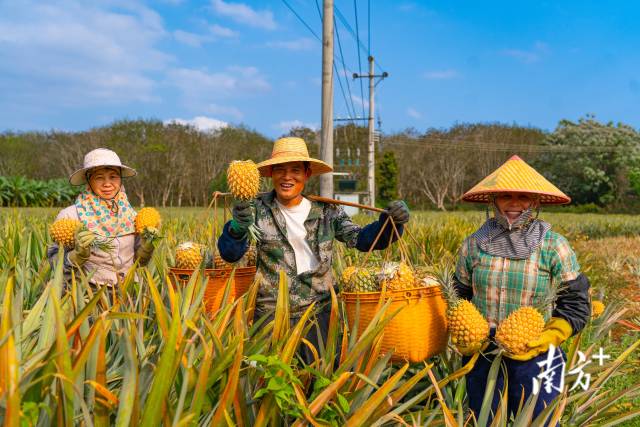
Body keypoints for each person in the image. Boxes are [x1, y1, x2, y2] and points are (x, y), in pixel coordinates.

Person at [217, 137, 410, 363]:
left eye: (295, 170)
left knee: (318, 382)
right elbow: (230, 254)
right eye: (280, 170)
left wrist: (391, 224)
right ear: (271, 174)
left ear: (307, 174)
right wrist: (237, 228)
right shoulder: (256, 210)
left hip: (320, 314)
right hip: (271, 316)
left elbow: (362, 239)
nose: (287, 177)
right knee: (270, 386)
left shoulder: (327, 211)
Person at [453, 155, 591, 423]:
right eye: (506, 196)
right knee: (484, 420)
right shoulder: (472, 245)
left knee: (540, 421)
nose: (514, 203)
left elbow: (576, 301)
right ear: (493, 201)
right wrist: (464, 335)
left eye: (523, 196)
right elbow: (460, 295)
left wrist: (552, 335)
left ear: (536, 202)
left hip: (536, 353)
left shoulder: (554, 245)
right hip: (483, 353)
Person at [48, 148, 157, 290]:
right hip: (87, 292)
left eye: (113, 177)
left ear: (120, 179)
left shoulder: (132, 216)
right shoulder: (70, 215)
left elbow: (140, 262)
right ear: (88, 180)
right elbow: (54, 263)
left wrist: (147, 247)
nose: (107, 184)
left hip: (129, 292)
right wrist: (77, 256)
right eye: (99, 177)